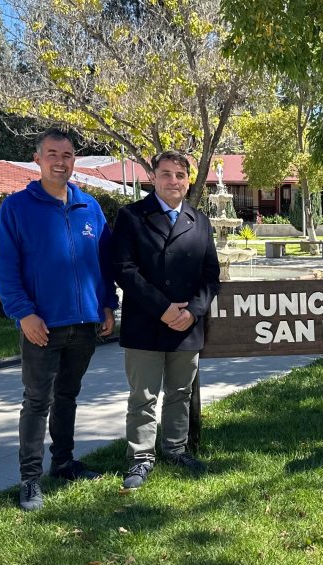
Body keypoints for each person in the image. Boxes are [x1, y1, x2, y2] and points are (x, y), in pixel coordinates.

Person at [0, 128, 117, 511]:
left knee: (68, 396)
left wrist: (108, 304)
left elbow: (104, 263)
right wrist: (24, 313)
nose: (60, 162)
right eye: (52, 154)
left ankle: (63, 462)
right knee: (36, 400)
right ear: (38, 158)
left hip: (84, 323)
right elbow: (4, 267)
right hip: (42, 326)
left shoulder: (90, 207)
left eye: (67, 155)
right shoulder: (17, 208)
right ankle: (30, 479)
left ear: (74, 160)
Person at [111, 150, 220, 489]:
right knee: (143, 396)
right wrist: (164, 308)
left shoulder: (198, 220)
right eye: (167, 174)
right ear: (154, 177)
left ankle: (176, 449)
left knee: (180, 392)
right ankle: (141, 458)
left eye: (180, 175)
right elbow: (123, 270)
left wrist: (192, 312)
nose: (174, 181)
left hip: (187, 327)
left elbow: (211, 274)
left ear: (188, 181)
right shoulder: (131, 216)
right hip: (145, 323)